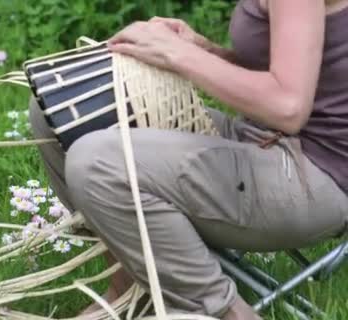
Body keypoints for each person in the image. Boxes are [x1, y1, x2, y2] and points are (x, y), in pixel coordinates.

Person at [28, 0, 348, 319]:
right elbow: (285, 67)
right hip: (260, 139)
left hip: (311, 177)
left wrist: (180, 55)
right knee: (61, 109)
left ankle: (226, 311)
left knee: (97, 164)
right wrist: (205, 51)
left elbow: (288, 107)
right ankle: (132, 291)